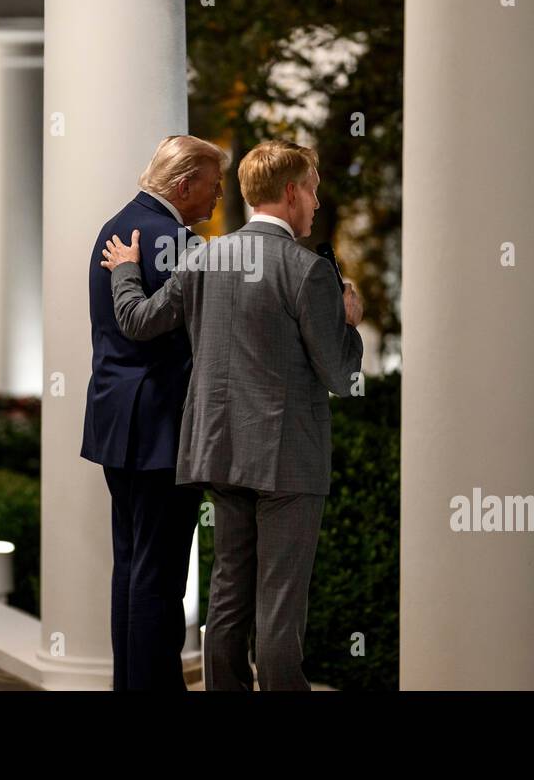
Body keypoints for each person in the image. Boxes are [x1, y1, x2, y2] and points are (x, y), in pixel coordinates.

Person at [100, 140, 363, 690]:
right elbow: (341, 376)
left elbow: (140, 320)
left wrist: (126, 270)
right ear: (291, 193)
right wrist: (349, 322)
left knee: (227, 601)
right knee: (280, 608)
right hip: (287, 461)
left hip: (219, 453)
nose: (316, 203)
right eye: (313, 191)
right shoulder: (308, 271)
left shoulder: (203, 256)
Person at [81, 135, 227, 690]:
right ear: (184, 183)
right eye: (212, 187)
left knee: (132, 565)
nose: (215, 200)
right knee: (161, 577)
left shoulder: (119, 224)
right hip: (161, 425)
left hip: (118, 420)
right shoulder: (175, 242)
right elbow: (161, 329)